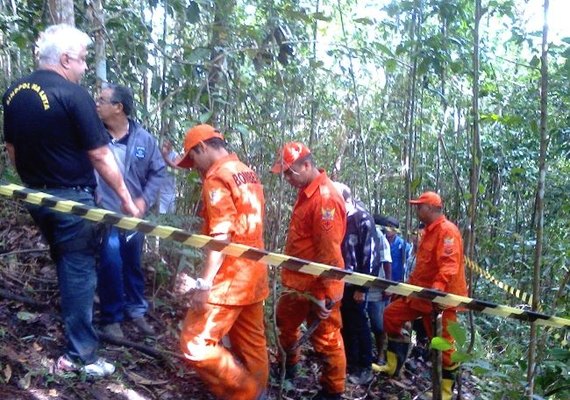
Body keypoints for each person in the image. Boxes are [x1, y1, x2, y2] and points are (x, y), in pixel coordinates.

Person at [2, 24, 140, 377]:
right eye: (81, 60)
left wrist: (30, 182)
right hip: (71, 200)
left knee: (67, 263)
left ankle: (79, 342)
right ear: (65, 59)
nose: (83, 68)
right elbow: (99, 155)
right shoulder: (72, 94)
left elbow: (12, 149)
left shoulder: (14, 92)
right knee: (79, 271)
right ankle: (80, 356)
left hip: (35, 195)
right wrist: (125, 197)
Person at [176, 124, 269, 400]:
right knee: (252, 345)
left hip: (231, 277)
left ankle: (249, 394)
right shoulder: (245, 171)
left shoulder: (216, 177)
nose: (194, 166)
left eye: (193, 158)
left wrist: (204, 284)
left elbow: (221, 234)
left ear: (202, 148)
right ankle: (258, 393)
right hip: (254, 273)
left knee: (194, 343)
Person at [271, 142, 347, 400]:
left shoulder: (325, 199)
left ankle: (332, 391)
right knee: (286, 325)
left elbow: (329, 253)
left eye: (290, 172)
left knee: (327, 340)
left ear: (306, 165)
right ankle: (287, 368)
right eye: (285, 173)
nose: (287, 178)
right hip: (296, 283)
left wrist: (326, 293)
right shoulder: (308, 192)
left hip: (317, 287)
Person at [375, 192, 467, 400]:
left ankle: (445, 391)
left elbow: (449, 264)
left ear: (432, 208)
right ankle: (393, 365)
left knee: (443, 344)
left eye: (420, 206)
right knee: (391, 315)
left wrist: (436, 289)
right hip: (419, 295)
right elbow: (422, 267)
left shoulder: (447, 231)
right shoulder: (427, 232)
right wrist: (406, 290)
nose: (417, 210)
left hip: (440, 300)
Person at [95, 83, 167, 338]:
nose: (97, 104)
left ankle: (136, 310)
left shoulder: (143, 139)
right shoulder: (94, 135)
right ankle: (111, 318)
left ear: (118, 107)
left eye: (102, 100)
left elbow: (158, 171)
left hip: (134, 216)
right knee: (111, 261)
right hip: (104, 213)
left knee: (132, 262)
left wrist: (143, 202)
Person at [333, 182, 376, 386]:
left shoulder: (362, 219)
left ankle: (364, 367)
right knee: (345, 325)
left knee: (359, 324)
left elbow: (370, 255)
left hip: (356, 284)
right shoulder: (340, 218)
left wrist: (362, 287)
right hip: (340, 283)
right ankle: (350, 363)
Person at [367, 216, 392, 364]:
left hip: (377, 287)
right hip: (359, 286)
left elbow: (386, 260)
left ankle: (381, 354)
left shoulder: (379, 236)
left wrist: (387, 286)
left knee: (378, 324)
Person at [378, 216, 411, 283]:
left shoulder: (402, 244)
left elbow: (409, 262)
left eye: (391, 227)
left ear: (396, 230)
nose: (388, 229)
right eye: (387, 226)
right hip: (382, 279)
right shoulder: (380, 241)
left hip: (397, 281)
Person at [159, 139, 180, 214]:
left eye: (168, 144)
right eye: (164, 144)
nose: (166, 145)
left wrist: (165, 158)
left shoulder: (175, 155)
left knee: (170, 216)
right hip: (159, 193)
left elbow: (176, 168)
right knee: (160, 215)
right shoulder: (157, 154)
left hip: (171, 193)